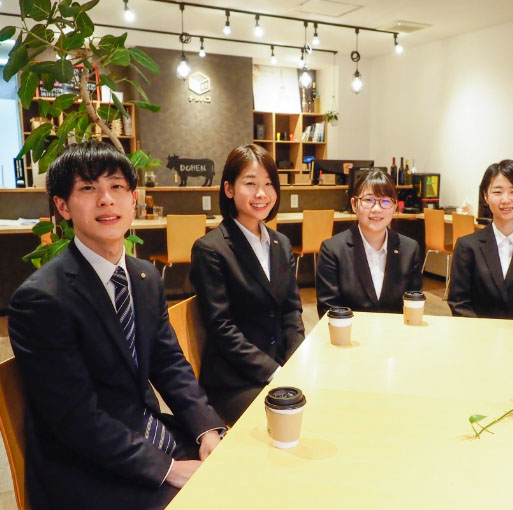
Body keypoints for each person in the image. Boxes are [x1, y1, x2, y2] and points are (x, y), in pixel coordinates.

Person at [8, 141, 226, 510]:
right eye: (88, 188)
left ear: (133, 199)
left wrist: (206, 429)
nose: (106, 200)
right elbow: (76, 418)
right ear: (62, 206)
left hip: (146, 434)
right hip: (87, 467)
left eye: (117, 186)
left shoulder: (144, 277)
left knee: (243, 470)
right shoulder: (42, 300)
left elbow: (169, 364)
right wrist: (169, 469)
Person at [190, 144, 304, 425]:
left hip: (280, 367)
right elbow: (222, 328)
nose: (261, 193)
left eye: (268, 183)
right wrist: (273, 371)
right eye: (250, 183)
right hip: (234, 380)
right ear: (229, 189)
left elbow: (291, 311)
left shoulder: (281, 243)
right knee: (288, 421)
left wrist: (296, 361)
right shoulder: (211, 249)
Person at [448, 160, 513, 319]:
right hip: (477, 333)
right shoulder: (467, 246)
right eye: (497, 192)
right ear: (485, 195)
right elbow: (459, 303)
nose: (505, 200)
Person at [315, 169, 423, 318]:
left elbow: (413, 306)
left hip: (396, 332)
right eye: (369, 200)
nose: (377, 209)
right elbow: (329, 310)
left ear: (395, 206)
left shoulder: (409, 249)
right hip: (350, 331)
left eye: (385, 201)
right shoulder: (333, 250)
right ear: (354, 204)